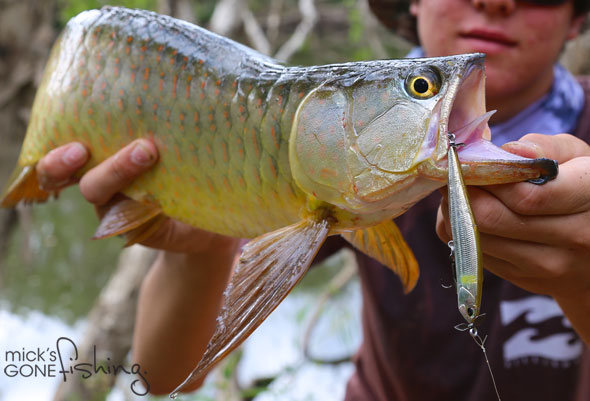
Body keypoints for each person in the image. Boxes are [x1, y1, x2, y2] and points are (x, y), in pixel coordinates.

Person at [34, 0, 590, 399]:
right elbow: (161, 375)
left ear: (577, 19)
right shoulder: (339, 160)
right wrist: (205, 240)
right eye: (420, 86)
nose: (495, 2)